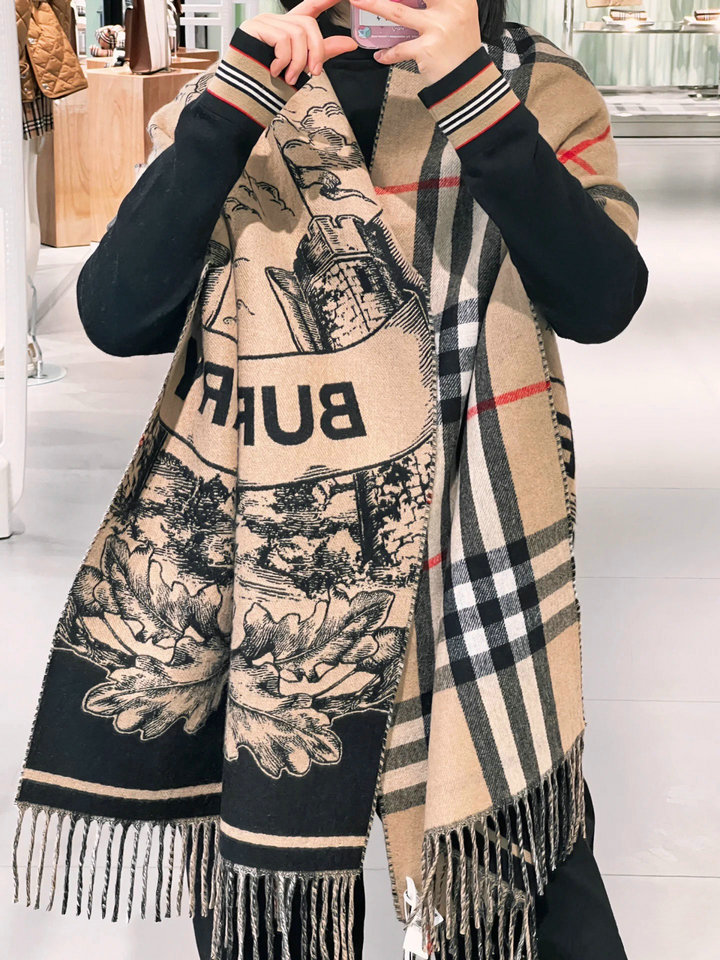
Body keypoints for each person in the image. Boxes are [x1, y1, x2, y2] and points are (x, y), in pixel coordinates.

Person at [74, 1, 648, 957]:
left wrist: (476, 101)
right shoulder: (252, 88)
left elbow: (603, 298)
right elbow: (116, 313)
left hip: (472, 541)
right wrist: (229, 114)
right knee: (267, 891)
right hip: (278, 565)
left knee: (520, 866)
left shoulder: (534, 86)